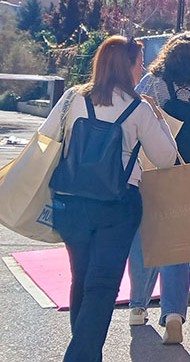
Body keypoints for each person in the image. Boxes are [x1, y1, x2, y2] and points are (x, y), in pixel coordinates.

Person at [40, 36, 177, 362]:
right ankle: (80, 357)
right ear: (126, 66)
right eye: (139, 62)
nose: (142, 69)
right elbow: (166, 158)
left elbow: (45, 137)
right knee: (101, 286)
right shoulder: (139, 108)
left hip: (71, 201)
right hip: (117, 206)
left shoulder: (73, 97)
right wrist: (160, 120)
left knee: (82, 279)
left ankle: (86, 355)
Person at [127, 33, 190, 345]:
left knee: (144, 237)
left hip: (151, 172)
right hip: (187, 173)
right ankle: (174, 314)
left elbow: (132, 120)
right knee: (179, 242)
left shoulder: (151, 84)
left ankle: (137, 306)